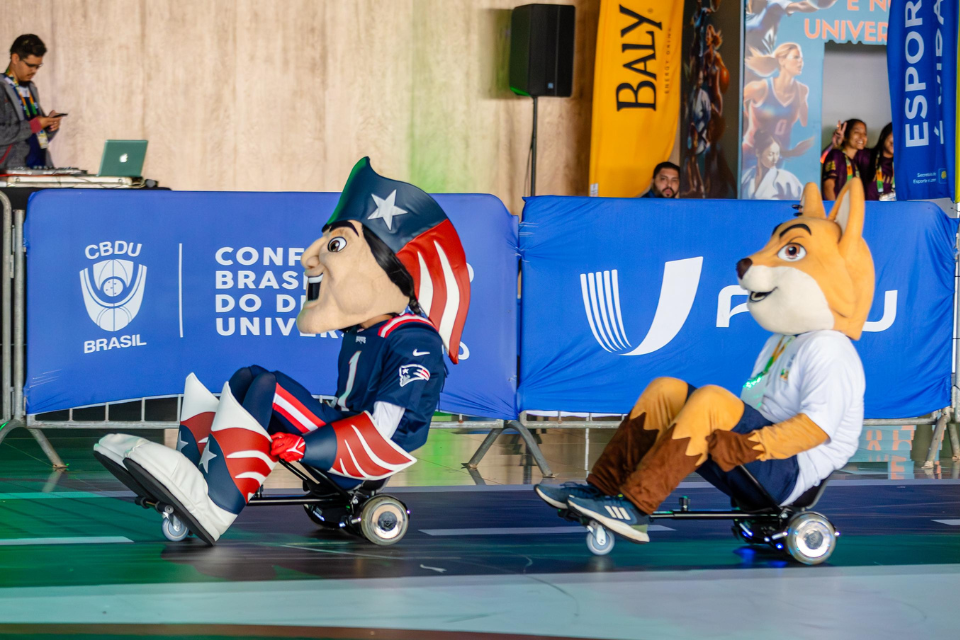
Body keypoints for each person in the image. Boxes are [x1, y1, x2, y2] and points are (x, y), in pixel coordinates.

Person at [95, 158, 471, 544]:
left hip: (358, 455)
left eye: (336, 245)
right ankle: (193, 473)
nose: (311, 259)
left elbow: (390, 427)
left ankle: (217, 503)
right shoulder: (364, 331)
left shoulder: (414, 339)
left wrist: (307, 445)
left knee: (269, 387)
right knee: (249, 376)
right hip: (340, 432)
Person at [536, 179, 873, 545]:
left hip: (787, 474)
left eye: (790, 252)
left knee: (712, 400)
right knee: (667, 390)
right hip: (759, 457)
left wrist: (747, 446)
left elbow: (816, 430)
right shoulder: (785, 341)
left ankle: (636, 506)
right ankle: (602, 489)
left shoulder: (831, 348)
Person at [741, 43, 814, 165]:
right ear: (781, 61)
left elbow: (805, 124)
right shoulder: (759, 88)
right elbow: (736, 104)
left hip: (778, 158)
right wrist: (746, 117)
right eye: (796, 57)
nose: (801, 62)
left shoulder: (802, 91)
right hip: (751, 155)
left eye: (802, 58)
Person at [0, 34, 62, 169]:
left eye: (38, 66)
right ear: (15, 58)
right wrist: (33, 125)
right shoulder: (1, 88)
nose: (34, 71)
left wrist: (49, 126)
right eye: (30, 65)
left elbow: (35, 137)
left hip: (39, 170)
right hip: (10, 175)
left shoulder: (31, 88)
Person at [740, 130, 802, 200]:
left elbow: (802, 202)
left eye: (777, 154)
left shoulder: (785, 179)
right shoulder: (745, 176)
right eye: (771, 154)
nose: (775, 159)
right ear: (758, 152)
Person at [821, 118, 869, 200]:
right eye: (856, 132)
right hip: (838, 210)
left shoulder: (857, 161)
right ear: (845, 136)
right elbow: (828, 185)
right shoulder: (836, 155)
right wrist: (834, 210)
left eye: (864, 133)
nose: (862, 137)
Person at [865, 122, 894, 201]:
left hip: (891, 212)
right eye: (893, 134)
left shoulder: (902, 165)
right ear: (883, 135)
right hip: (866, 211)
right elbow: (843, 155)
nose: (896, 139)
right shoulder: (865, 156)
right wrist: (834, 144)